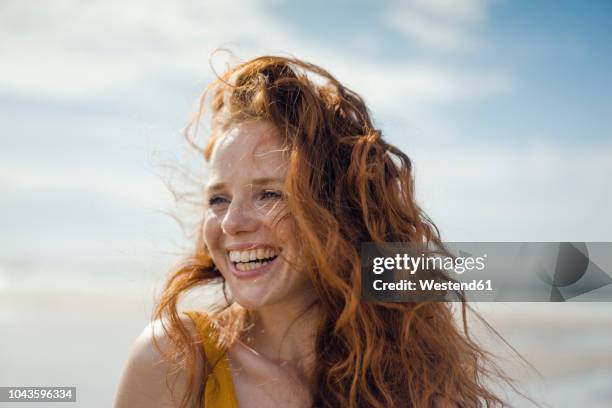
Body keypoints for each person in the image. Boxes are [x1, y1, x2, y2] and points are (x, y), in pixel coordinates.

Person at [114, 56, 509, 408]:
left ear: (338, 211)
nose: (232, 223)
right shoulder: (174, 361)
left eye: (269, 194)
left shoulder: (415, 379)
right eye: (218, 199)